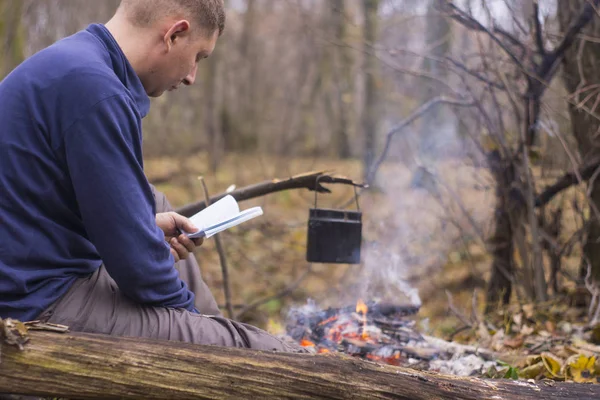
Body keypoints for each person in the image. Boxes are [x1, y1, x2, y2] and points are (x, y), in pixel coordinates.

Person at [0, 0, 303, 352]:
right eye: (199, 57)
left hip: (30, 263)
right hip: (32, 300)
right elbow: (140, 270)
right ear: (175, 34)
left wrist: (142, 229)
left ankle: (208, 333)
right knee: (262, 351)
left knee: (154, 201)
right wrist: (191, 323)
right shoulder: (97, 92)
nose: (191, 77)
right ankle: (217, 353)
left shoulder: (79, 61)